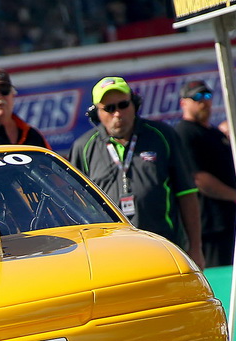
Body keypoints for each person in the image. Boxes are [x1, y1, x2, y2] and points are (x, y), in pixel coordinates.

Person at [69, 76, 204, 268]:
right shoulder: (83, 147)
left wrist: (196, 248)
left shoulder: (162, 136)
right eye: (109, 108)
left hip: (165, 250)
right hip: (109, 257)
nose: (117, 113)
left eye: (123, 105)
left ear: (135, 104)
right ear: (96, 112)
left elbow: (187, 194)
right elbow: (75, 208)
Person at [174, 80, 236, 268]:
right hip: (210, 226)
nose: (203, 101)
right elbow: (198, 178)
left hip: (230, 221)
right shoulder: (184, 132)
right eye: (196, 97)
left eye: (207, 96)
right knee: (219, 276)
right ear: (183, 103)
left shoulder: (216, 133)